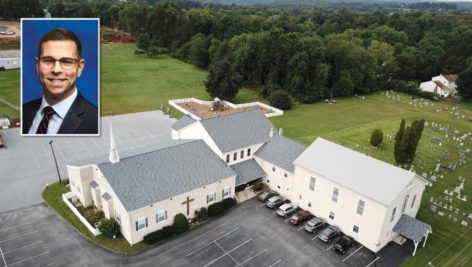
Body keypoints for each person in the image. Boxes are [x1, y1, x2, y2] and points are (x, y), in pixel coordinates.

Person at [22, 28, 98, 135]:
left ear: (79, 67)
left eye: (66, 61)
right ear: (37, 66)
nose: (56, 70)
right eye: (48, 60)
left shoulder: (95, 121)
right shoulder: (24, 111)